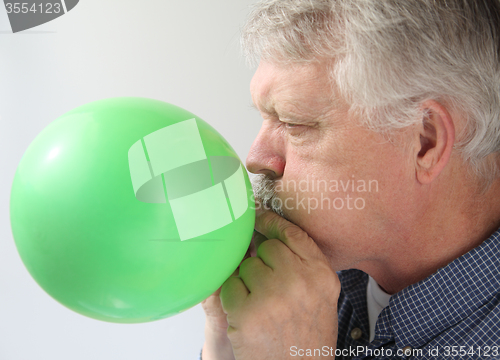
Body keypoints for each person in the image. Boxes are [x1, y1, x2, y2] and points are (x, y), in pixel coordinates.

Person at [201, 1, 500, 359]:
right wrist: (224, 343)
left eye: (294, 123)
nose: (256, 159)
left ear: (425, 142)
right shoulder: (313, 273)